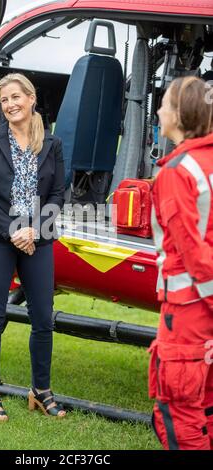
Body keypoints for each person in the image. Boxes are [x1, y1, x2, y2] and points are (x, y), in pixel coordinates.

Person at [0, 73, 66, 421]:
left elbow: (57, 194)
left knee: (43, 318)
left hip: (38, 240)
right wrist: (14, 229)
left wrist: (34, 231)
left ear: (31, 99)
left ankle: (41, 390)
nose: (9, 105)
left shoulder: (52, 144)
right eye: (4, 100)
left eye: (15, 97)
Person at [149, 76, 213, 450]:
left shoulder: (176, 172)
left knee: (179, 412)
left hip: (190, 312)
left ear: (179, 114)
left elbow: (193, 255)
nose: (158, 111)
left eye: (164, 105)